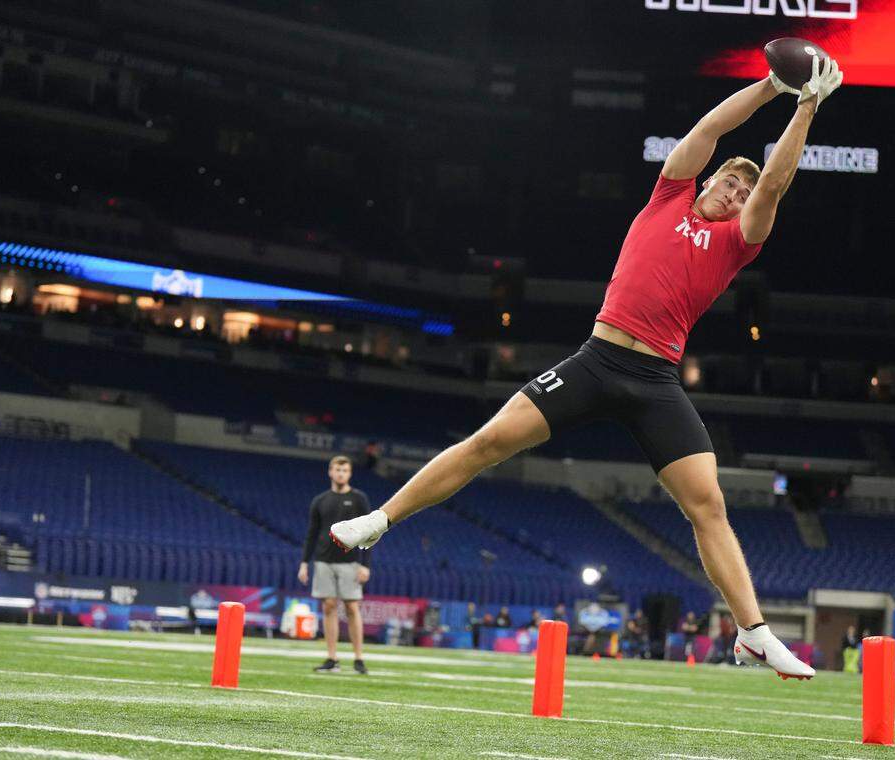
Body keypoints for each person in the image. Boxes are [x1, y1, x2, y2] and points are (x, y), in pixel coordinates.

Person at [331, 57, 844, 682]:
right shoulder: (668, 198)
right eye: (729, 185)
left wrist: (807, 104)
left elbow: (775, 186)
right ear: (707, 183)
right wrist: (770, 87)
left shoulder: (741, 239)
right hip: (597, 360)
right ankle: (380, 520)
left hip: (655, 382)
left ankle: (754, 634)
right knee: (488, 442)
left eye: (741, 192)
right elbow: (708, 131)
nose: (735, 194)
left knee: (708, 504)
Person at [298, 455, 373, 674]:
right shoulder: (320, 500)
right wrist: (304, 563)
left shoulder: (359, 499)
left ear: (349, 473)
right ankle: (332, 658)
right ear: (330, 472)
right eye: (337, 470)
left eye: (345, 470)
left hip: (350, 561)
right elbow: (311, 534)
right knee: (328, 606)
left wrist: (365, 564)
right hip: (323, 561)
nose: (341, 474)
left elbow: (369, 532)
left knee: (352, 607)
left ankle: (359, 659)